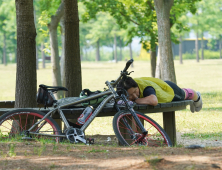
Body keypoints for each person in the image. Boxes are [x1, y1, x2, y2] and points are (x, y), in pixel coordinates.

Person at [117, 76, 202, 113]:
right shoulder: (127, 85)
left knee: (186, 94)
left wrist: (136, 100)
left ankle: (197, 98)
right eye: (131, 95)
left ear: (137, 86)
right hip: (161, 86)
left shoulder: (146, 88)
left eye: (135, 91)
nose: (135, 95)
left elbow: (153, 101)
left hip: (170, 91)